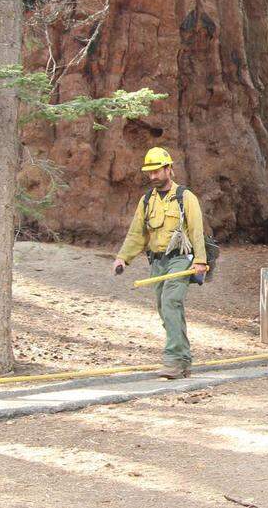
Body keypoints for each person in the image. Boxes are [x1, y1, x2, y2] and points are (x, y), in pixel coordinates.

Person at [112, 147, 208, 379]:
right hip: (157, 262)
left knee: (171, 302)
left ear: (168, 169)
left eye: (157, 171)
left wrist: (201, 261)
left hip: (180, 260)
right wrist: (123, 258)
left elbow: (197, 232)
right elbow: (137, 233)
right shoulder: (147, 201)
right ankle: (184, 359)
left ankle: (173, 360)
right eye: (150, 172)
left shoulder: (186, 197)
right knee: (164, 309)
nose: (153, 176)